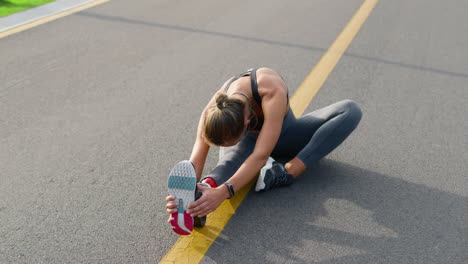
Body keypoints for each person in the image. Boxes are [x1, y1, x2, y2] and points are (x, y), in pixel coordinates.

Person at [165, 67, 362, 233]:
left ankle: (286, 172)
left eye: (230, 141)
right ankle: (203, 193)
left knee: (350, 110)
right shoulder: (216, 107)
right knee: (227, 164)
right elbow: (198, 151)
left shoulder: (270, 89)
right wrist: (190, 189)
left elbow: (260, 156)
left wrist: (224, 193)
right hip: (248, 147)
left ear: (246, 123)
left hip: (287, 134)